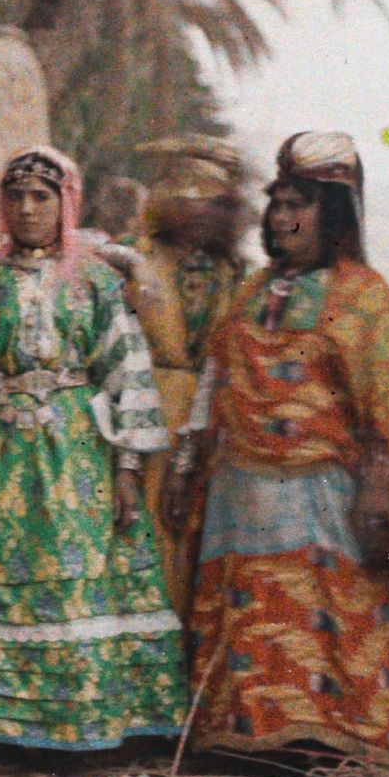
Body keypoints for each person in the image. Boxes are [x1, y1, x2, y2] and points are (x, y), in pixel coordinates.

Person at [0, 146, 189, 761]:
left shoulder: (97, 282)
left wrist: (128, 469)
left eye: (41, 197)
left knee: (78, 574)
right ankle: (8, 727)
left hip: (76, 452)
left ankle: (77, 727)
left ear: (66, 203)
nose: (27, 209)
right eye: (15, 196)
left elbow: (125, 372)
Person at [162, 132, 389, 768]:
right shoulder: (251, 291)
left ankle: (329, 743)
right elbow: (214, 378)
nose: (281, 217)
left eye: (299, 205)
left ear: (333, 214)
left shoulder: (362, 297)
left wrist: (379, 487)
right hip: (238, 490)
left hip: (325, 494)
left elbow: (387, 406)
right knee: (249, 612)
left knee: (327, 610)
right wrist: (184, 461)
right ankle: (243, 740)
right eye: (276, 203)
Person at [123, 135, 252, 614]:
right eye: (190, 199)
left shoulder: (236, 272)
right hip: (144, 408)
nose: (200, 214)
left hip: (213, 416)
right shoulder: (134, 259)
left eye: (213, 203)